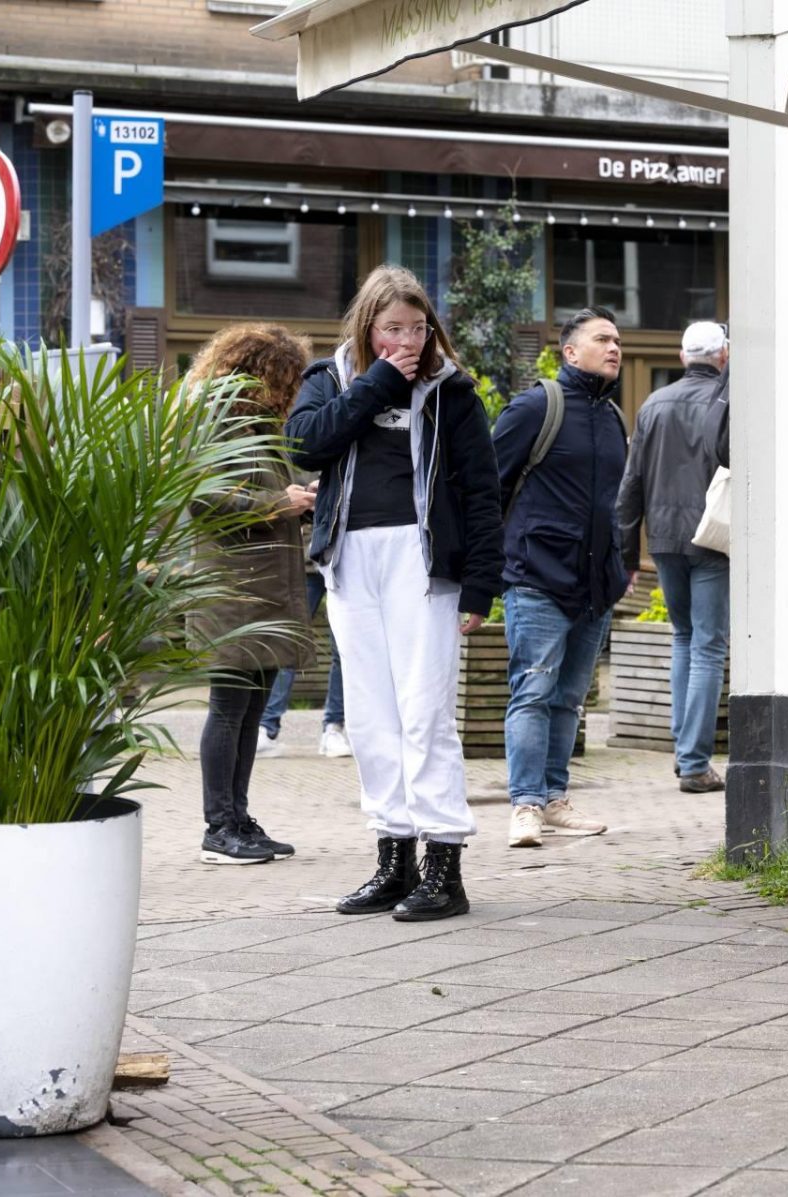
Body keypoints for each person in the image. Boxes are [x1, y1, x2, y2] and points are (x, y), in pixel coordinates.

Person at [285, 265, 504, 921]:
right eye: (392, 329)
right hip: (351, 558)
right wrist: (381, 379)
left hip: (422, 557)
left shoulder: (451, 391)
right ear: (367, 328)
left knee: (423, 710)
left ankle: (444, 866)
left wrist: (481, 585)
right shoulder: (330, 379)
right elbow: (305, 441)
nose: (407, 339)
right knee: (370, 716)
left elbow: (482, 490)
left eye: (416, 327)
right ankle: (393, 858)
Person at [493, 306, 628, 847]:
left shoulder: (614, 418)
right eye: (602, 339)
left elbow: (615, 504)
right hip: (537, 576)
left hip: (594, 586)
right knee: (532, 691)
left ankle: (553, 797)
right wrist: (483, 568)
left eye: (618, 340)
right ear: (570, 352)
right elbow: (487, 487)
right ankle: (524, 804)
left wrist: (619, 567)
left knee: (569, 699)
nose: (615, 347)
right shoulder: (536, 407)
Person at [183, 324, 317, 866]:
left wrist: (294, 498)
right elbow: (202, 498)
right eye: (287, 379)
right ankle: (219, 828)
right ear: (261, 374)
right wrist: (276, 502)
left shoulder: (259, 426)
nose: (292, 392)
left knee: (251, 708)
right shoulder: (217, 420)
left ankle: (239, 818)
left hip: (262, 588)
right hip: (232, 591)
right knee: (229, 707)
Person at [615, 320, 731, 793]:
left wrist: (625, 554)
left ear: (683, 357)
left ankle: (685, 752)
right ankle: (695, 763)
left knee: (684, 639)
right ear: (722, 357)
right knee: (707, 646)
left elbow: (632, 482)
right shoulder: (726, 402)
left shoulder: (653, 404)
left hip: (663, 538)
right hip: (713, 536)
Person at [255, 477, 349, 760]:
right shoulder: (288, 440)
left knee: (344, 648)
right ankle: (266, 727)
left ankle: (334, 727)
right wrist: (306, 488)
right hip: (303, 556)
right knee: (287, 643)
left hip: (345, 554)